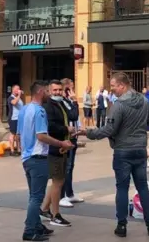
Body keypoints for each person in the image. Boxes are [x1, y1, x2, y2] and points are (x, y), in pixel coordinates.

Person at [78, 73, 149, 237]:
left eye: (113, 85)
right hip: (140, 149)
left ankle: (122, 226)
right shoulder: (144, 100)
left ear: (122, 85)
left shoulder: (119, 105)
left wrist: (89, 133)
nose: (111, 89)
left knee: (122, 188)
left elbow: (109, 130)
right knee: (142, 187)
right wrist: (138, 127)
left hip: (123, 150)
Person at [18, 81, 73, 241]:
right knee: (37, 197)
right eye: (48, 91)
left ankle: (36, 225)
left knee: (33, 195)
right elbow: (41, 135)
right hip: (38, 157)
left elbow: (19, 133)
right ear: (41, 91)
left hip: (26, 157)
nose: (50, 94)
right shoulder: (39, 111)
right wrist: (61, 143)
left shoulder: (24, 109)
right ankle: (30, 230)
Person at [39, 80, 73, 227]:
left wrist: (73, 100)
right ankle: (55, 215)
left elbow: (73, 115)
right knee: (58, 182)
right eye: (55, 90)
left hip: (63, 146)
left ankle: (44, 209)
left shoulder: (60, 104)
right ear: (49, 91)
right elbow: (51, 127)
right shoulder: (48, 106)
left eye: (60, 90)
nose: (58, 93)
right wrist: (66, 130)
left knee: (58, 181)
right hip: (54, 148)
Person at [59, 78, 85, 208]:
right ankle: (61, 195)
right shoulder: (63, 102)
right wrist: (75, 100)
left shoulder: (68, 101)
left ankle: (69, 193)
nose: (73, 91)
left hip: (73, 136)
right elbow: (73, 115)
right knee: (66, 167)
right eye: (71, 88)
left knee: (70, 166)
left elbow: (76, 117)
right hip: (66, 137)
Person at [8, 85, 24, 157]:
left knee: (18, 135)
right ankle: (12, 150)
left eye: (19, 89)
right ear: (13, 90)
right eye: (17, 89)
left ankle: (18, 149)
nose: (18, 90)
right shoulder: (11, 97)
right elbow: (14, 103)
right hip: (13, 118)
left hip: (20, 118)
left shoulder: (19, 98)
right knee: (13, 134)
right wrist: (19, 95)